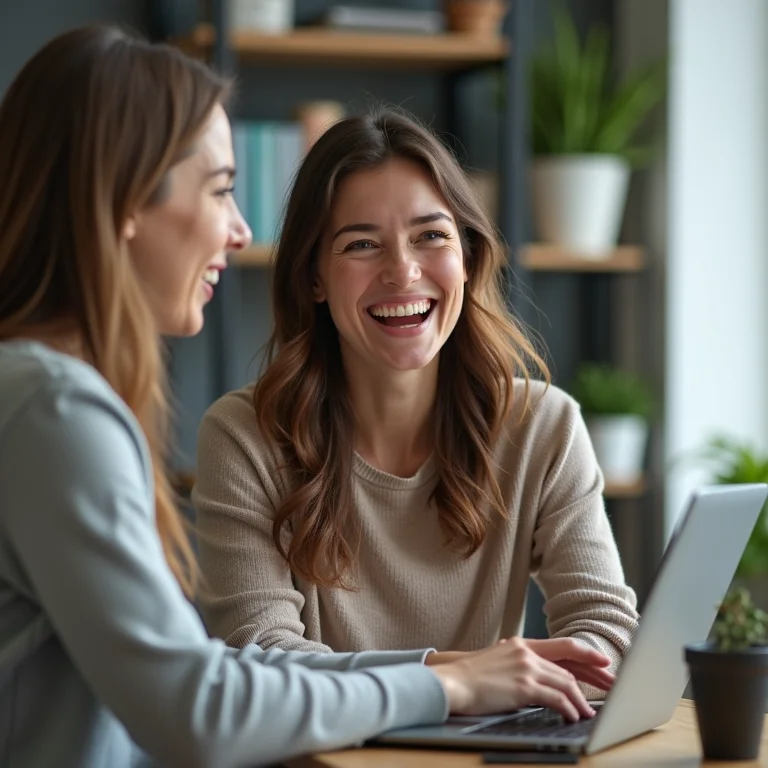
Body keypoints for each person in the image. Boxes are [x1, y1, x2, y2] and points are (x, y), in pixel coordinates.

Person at [0, 25, 612, 768]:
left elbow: (200, 687)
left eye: (431, 237)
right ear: (126, 199)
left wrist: (448, 677)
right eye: (221, 189)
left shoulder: (42, 396)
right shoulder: (55, 410)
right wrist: (445, 684)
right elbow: (201, 704)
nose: (240, 229)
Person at [192, 108, 640, 698]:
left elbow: (607, 633)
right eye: (361, 244)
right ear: (314, 279)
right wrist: (461, 680)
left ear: (468, 256)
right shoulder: (244, 436)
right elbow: (260, 657)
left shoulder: (544, 427)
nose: (403, 272)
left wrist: (515, 682)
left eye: (431, 236)